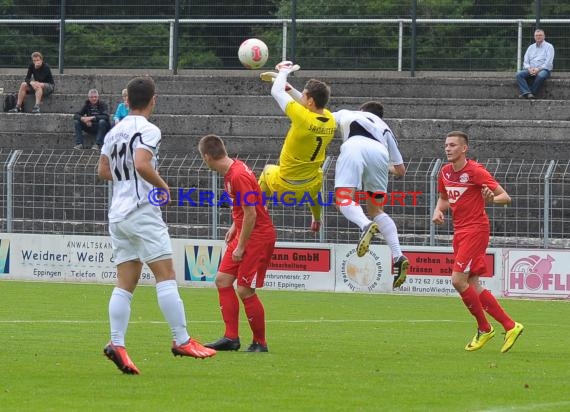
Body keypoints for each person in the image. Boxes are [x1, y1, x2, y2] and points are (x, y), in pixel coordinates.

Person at [97, 76, 216, 375]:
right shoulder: (149, 129)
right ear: (153, 99)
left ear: (127, 101)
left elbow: (102, 170)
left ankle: (117, 344)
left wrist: (128, 181)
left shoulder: (113, 132)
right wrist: (163, 187)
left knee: (126, 281)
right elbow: (141, 163)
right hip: (141, 211)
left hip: (118, 214)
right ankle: (182, 339)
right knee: (166, 275)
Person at [432, 131, 524, 353]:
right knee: (472, 284)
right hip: (460, 231)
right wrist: (438, 211)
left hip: (476, 229)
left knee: (457, 280)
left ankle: (485, 328)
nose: (448, 148)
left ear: (464, 148)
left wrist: (492, 199)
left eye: (453, 145)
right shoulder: (444, 172)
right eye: (446, 145)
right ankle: (511, 326)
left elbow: (505, 197)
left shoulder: (475, 171)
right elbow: (444, 198)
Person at [199, 134, 276, 353]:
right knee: (223, 280)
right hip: (244, 231)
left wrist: (241, 246)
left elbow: (251, 214)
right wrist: (235, 225)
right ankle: (231, 338)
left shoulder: (238, 175)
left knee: (244, 290)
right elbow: (247, 206)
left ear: (207, 156)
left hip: (257, 237)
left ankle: (260, 343)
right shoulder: (233, 170)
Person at [332, 101, 409, 289]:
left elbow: (315, 110)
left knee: (342, 198)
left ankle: (365, 225)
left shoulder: (348, 112)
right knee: (376, 210)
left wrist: (288, 88)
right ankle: (398, 255)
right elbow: (400, 170)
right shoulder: (385, 129)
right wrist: (383, 167)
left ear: (361, 110)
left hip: (354, 146)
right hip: (379, 154)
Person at [258, 61, 336, 232]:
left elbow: (276, 92)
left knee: (267, 170)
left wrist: (283, 72)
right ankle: (316, 219)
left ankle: (259, 214)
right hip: (309, 187)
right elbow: (304, 103)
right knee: (317, 175)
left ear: (310, 101)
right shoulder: (330, 119)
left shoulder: (302, 118)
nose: (302, 97)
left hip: (285, 188)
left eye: (304, 95)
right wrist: (287, 86)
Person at [516, 29, 554, 99]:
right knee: (519, 74)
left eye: (540, 35)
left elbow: (548, 62)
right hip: (531, 69)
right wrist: (529, 69)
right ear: (534, 37)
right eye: (536, 35)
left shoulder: (549, 47)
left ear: (544, 36)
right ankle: (528, 93)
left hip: (544, 70)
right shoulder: (530, 47)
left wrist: (538, 69)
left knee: (541, 76)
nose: (538, 37)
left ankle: (529, 93)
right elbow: (525, 61)